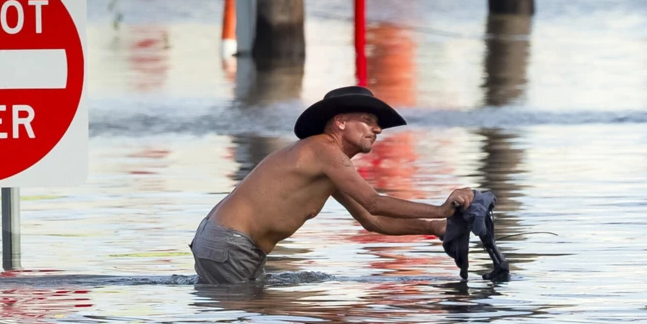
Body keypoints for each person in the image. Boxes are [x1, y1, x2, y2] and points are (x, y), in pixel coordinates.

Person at [190, 86, 475, 285]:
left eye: (377, 124)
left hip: (230, 245)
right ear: (339, 122)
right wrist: (442, 210)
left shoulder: (328, 164)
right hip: (230, 244)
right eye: (368, 121)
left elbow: (372, 220)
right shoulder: (323, 151)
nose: (377, 129)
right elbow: (373, 202)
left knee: (262, 323)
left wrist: (434, 227)